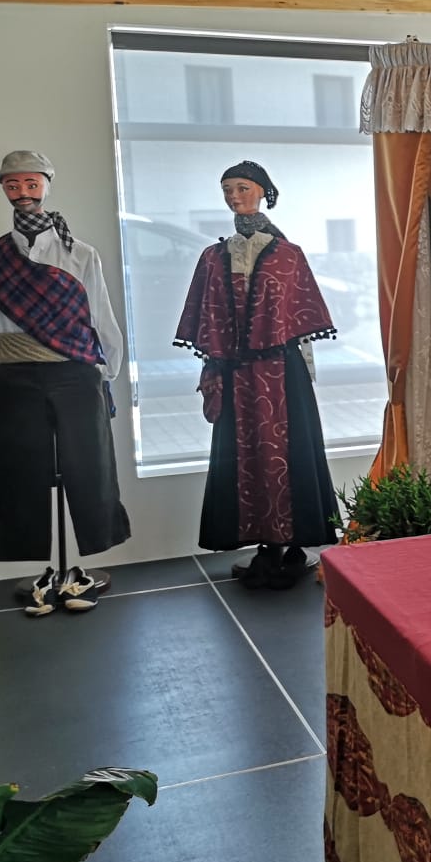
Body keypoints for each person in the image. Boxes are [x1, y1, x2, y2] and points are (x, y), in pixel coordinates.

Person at [0, 149, 131, 615]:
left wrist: (105, 370)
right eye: (13, 185)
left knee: (90, 464)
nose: (23, 193)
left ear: (47, 185)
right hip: (15, 378)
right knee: (17, 468)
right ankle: (43, 569)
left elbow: (101, 317)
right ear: (3, 190)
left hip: (76, 373)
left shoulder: (82, 253)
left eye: (31, 184)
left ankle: (82, 567)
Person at [174, 161, 340, 590]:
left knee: (290, 451)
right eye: (227, 188)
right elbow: (205, 313)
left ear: (263, 192)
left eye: (242, 188)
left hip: (283, 375)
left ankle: (295, 543)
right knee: (241, 454)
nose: (234, 196)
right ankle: (264, 544)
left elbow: (301, 320)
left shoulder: (288, 255)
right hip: (236, 374)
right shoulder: (213, 257)